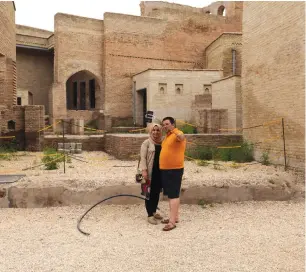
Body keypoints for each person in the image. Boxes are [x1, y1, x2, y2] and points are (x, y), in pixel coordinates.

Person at [159, 117, 186, 231]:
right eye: (163, 124)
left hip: (174, 169)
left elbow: (182, 137)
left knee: (173, 195)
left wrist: (174, 130)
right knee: (170, 194)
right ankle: (175, 217)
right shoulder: (168, 136)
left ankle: (172, 222)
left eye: (167, 124)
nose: (165, 126)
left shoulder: (177, 133)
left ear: (173, 124)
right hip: (166, 169)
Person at [139, 123, 163, 225]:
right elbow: (143, 158)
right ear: (150, 131)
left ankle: (154, 211)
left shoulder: (162, 142)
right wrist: (144, 170)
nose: (155, 132)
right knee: (148, 193)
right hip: (149, 171)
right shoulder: (146, 143)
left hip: (160, 171)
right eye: (153, 130)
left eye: (158, 130)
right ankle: (149, 215)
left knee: (156, 193)